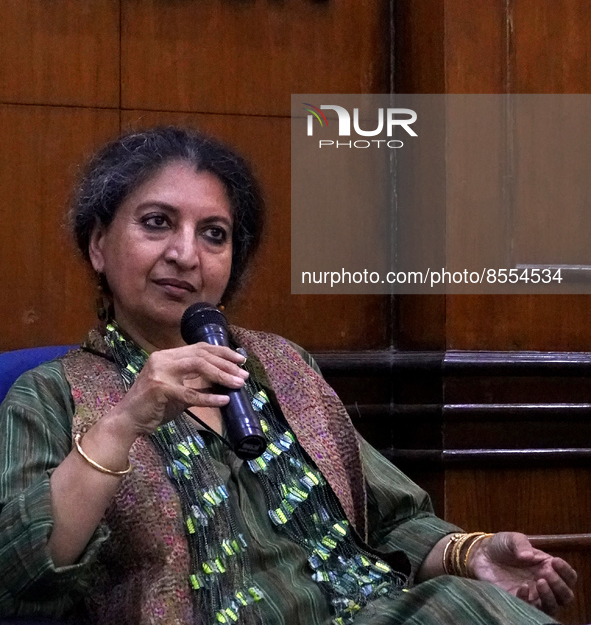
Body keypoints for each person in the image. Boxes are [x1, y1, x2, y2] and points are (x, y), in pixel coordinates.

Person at [0, 126, 578, 625]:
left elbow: (393, 521)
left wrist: (469, 554)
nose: (185, 254)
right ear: (99, 245)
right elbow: (22, 570)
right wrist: (126, 420)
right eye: (157, 223)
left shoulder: (279, 367)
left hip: (367, 609)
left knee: (463, 603)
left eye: (214, 234)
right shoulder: (51, 394)